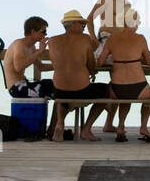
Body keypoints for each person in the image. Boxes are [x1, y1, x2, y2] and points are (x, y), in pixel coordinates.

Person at [46, 9, 110, 142]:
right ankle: (86, 129)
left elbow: (57, 63)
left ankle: (60, 123)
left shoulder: (52, 41)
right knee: (108, 91)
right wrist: (92, 72)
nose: (84, 27)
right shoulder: (85, 39)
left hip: (59, 91)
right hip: (81, 91)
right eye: (83, 24)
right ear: (75, 23)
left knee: (63, 95)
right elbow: (91, 66)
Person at [103, 8, 150, 142]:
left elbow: (100, 61)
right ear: (134, 23)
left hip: (117, 87)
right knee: (149, 99)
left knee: (124, 99)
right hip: (138, 85)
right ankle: (143, 127)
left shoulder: (112, 38)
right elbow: (149, 62)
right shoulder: (140, 38)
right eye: (138, 22)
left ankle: (121, 127)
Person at [87, 0, 138, 64]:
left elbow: (127, 28)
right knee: (119, 61)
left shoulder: (127, 5)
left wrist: (134, 27)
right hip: (106, 39)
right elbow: (90, 18)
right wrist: (93, 39)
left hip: (121, 41)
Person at [4, 16, 52, 98]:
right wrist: (40, 51)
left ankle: (59, 110)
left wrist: (61, 66)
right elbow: (18, 67)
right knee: (52, 87)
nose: (46, 34)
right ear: (33, 32)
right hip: (16, 88)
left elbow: (41, 67)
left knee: (56, 85)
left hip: (24, 84)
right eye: (43, 31)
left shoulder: (32, 47)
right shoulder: (19, 44)